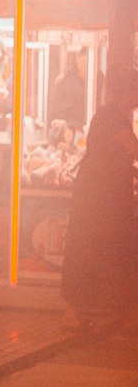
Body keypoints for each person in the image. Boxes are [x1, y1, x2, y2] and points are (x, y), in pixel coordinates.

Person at [60, 64, 138, 329]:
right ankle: (75, 312)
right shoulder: (112, 117)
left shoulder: (112, 116)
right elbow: (133, 149)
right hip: (99, 198)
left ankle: (100, 311)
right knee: (90, 250)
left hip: (103, 196)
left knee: (97, 250)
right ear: (126, 92)